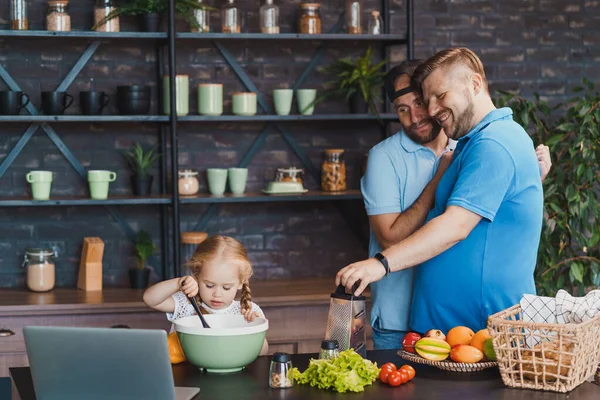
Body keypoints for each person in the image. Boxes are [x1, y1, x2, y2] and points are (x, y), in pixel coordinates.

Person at [342, 47, 544, 334]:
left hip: (481, 331)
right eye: (428, 100)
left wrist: (381, 265)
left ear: (474, 85)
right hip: (451, 330)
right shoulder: (469, 143)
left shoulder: (494, 143)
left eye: (440, 96)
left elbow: (456, 226)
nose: (432, 111)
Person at [144, 235, 268, 355]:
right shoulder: (186, 303)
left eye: (226, 287)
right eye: (209, 285)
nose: (217, 294)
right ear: (196, 276)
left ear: (241, 282)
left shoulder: (248, 312)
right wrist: (178, 283)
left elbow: (263, 353)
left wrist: (255, 328)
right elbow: (150, 299)